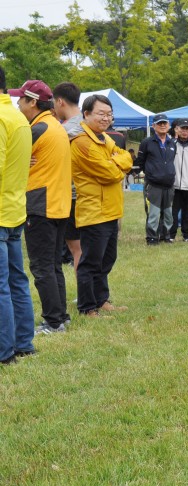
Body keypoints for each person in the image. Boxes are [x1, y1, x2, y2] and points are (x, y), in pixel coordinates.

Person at [11, 80, 71, 334]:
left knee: (42, 266)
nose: (17, 104)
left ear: (32, 101)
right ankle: (61, 316)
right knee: (53, 264)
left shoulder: (37, 129)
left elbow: (10, 161)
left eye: (21, 100)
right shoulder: (54, 125)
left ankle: (54, 322)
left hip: (40, 205)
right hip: (58, 204)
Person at [71, 94, 132, 316]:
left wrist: (115, 161)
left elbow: (127, 157)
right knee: (91, 262)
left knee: (107, 258)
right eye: (101, 114)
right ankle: (87, 307)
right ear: (86, 114)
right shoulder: (82, 142)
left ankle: (101, 299)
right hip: (94, 211)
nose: (106, 118)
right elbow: (110, 174)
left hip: (110, 209)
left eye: (109, 114)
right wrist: (117, 164)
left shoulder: (105, 139)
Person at [0, 66, 35, 364]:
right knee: (16, 281)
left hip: (2, 211)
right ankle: (24, 343)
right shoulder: (16, 116)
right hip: (13, 210)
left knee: (3, 285)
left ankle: (4, 352)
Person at [52, 82, 83, 269]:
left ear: (60, 101)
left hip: (73, 193)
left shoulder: (65, 130)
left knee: (77, 248)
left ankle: (86, 296)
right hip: (88, 192)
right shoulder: (88, 123)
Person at [135, 113, 176, 245]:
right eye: (159, 123)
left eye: (165, 123)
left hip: (169, 184)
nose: (162, 125)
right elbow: (140, 162)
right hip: (153, 184)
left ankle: (166, 235)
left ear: (169, 125)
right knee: (154, 213)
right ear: (154, 126)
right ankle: (152, 237)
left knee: (168, 213)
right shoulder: (147, 142)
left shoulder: (172, 143)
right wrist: (151, 174)